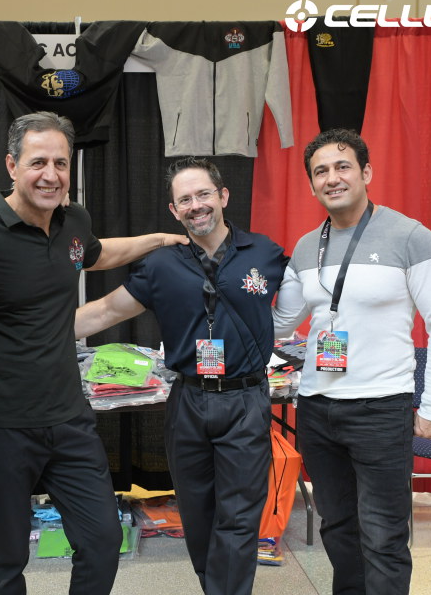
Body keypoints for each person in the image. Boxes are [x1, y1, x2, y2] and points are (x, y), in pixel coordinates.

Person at [0, 111, 188, 595]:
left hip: (69, 420)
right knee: (6, 560)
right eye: (37, 162)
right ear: (11, 165)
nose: (51, 174)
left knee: (102, 540)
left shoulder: (74, 221)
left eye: (60, 163)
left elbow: (96, 254)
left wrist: (159, 239)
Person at [74, 156, 288, 595]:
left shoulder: (263, 253)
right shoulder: (161, 265)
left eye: (203, 194)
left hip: (245, 400)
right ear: (174, 211)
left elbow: (309, 298)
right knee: (197, 514)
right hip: (187, 402)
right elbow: (107, 311)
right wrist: (26, 332)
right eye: (185, 200)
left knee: (239, 517)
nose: (196, 206)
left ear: (223, 196)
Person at [272, 128, 431, 594]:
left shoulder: (411, 236)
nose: (332, 178)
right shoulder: (306, 247)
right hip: (316, 408)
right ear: (311, 184)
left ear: (366, 173)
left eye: (343, 167)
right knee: (337, 528)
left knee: (382, 534)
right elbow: (280, 324)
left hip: (381, 408)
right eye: (320, 171)